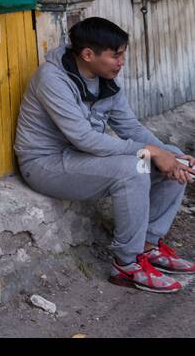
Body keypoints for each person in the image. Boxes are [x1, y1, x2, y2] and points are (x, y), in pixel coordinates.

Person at [15, 16, 195, 293]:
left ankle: (147, 245)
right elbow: (84, 138)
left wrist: (168, 155)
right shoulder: (52, 80)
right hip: (45, 164)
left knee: (171, 155)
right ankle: (126, 264)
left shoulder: (106, 80)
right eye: (116, 56)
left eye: (122, 55)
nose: (121, 62)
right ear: (88, 55)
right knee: (133, 168)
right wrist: (150, 152)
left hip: (80, 158)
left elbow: (130, 127)